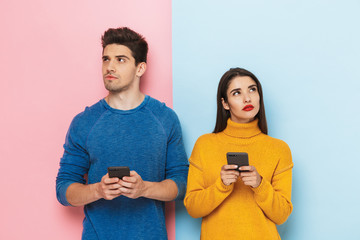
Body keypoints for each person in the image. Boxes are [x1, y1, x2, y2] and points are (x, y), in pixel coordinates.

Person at [56, 27, 188, 240]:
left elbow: (181, 183)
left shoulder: (165, 118)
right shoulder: (84, 122)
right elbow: (63, 188)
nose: (110, 66)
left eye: (121, 60)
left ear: (140, 68)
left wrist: (144, 188)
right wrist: (98, 190)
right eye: (106, 59)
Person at [184, 68, 293, 239]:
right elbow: (193, 208)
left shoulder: (279, 149)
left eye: (252, 89)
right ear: (225, 103)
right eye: (236, 93)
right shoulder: (205, 145)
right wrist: (221, 186)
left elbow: (282, 215)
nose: (247, 98)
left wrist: (260, 185)